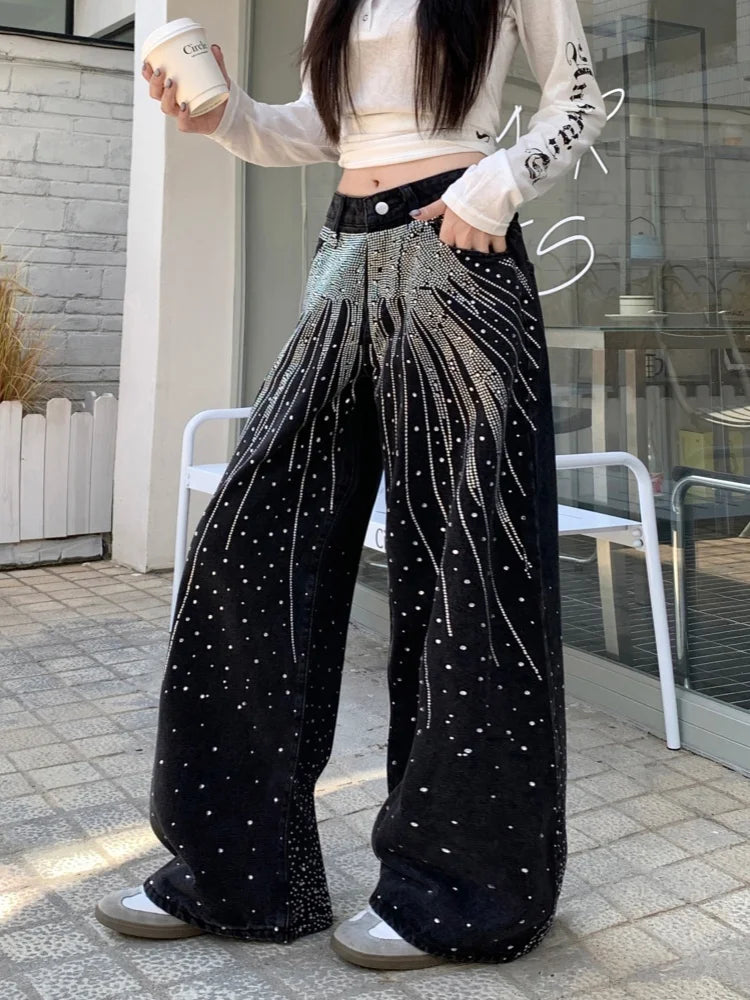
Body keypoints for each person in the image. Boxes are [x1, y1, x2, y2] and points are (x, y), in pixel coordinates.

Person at [95, 0, 606, 971]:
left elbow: (578, 100)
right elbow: (322, 129)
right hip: (343, 258)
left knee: (467, 567)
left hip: (461, 253)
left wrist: (499, 182)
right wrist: (230, 116)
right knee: (249, 543)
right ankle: (233, 870)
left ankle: (458, 891)